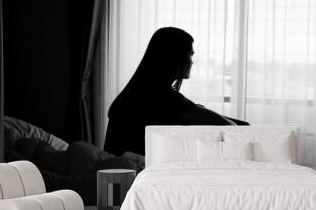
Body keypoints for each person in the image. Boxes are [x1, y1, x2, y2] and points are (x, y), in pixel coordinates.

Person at [104, 27, 248, 156]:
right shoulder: (162, 96)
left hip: (118, 174)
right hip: (135, 174)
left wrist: (198, 109)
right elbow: (230, 127)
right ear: (174, 58)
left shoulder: (138, 91)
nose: (192, 61)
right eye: (190, 55)